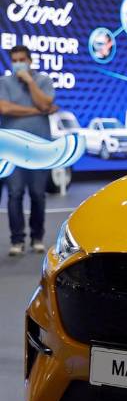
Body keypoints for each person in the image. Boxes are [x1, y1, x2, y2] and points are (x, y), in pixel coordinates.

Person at [0, 45, 56, 256]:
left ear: (30, 61)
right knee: (14, 193)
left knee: (38, 194)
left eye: (21, 60)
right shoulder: (4, 82)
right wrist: (38, 110)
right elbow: (5, 108)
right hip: (12, 149)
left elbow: (45, 102)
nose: (18, 64)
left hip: (39, 148)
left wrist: (30, 82)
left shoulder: (44, 81)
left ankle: (37, 238)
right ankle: (17, 240)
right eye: (14, 61)